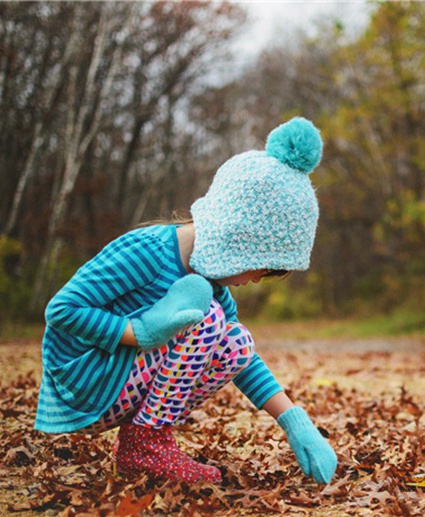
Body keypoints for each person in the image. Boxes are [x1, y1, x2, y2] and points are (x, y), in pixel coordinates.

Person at [34, 117, 337, 485]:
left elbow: (243, 363)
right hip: (85, 381)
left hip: (122, 381)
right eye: (261, 266)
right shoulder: (147, 251)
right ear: (238, 241)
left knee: (236, 340)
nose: (257, 279)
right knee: (206, 317)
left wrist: (294, 421)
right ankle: (146, 445)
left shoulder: (211, 282)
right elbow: (61, 311)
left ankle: (141, 443)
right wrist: (141, 333)